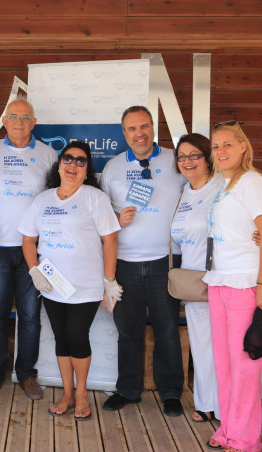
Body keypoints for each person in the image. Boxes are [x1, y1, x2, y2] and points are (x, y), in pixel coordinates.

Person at [19, 141, 120, 420]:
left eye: (80, 161)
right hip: (52, 286)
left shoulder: (94, 198)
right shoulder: (43, 200)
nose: (73, 164)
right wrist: (34, 271)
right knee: (61, 337)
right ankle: (67, 392)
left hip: (85, 285)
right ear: (59, 164)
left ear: (87, 170)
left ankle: (81, 392)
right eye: (68, 158)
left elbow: (111, 239)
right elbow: (28, 240)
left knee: (77, 335)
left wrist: (109, 281)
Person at [99, 106, 187, 417]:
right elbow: (100, 215)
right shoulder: (112, 168)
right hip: (124, 263)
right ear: (124, 133)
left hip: (166, 261)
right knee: (129, 332)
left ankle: (171, 392)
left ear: (153, 127)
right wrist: (115, 218)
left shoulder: (175, 161)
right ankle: (128, 389)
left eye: (144, 126)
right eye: (132, 128)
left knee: (167, 330)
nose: (140, 133)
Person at [203, 121, 262, 452]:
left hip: (246, 283)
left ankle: (245, 440)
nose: (220, 151)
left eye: (227, 144)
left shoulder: (252, 182)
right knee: (224, 364)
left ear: (243, 146)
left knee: (245, 365)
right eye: (216, 146)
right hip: (220, 281)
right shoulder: (224, 185)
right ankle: (228, 430)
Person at [0, 98, 57, 400]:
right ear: (4, 121)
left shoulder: (48, 154)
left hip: (32, 250)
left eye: (25, 117)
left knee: (31, 316)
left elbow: (55, 198)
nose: (19, 122)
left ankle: (26, 374)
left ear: (34, 122)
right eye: (13, 116)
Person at [170, 133, 222, 424]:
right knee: (201, 344)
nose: (187, 161)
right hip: (192, 282)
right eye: (181, 157)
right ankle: (206, 404)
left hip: (222, 279)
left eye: (194, 155)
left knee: (227, 346)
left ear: (207, 157)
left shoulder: (223, 186)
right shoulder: (184, 192)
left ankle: (227, 406)